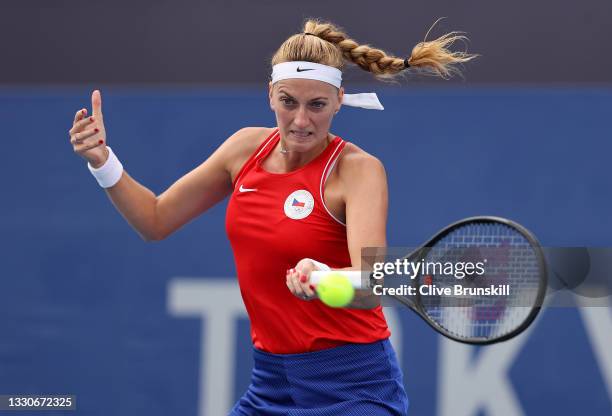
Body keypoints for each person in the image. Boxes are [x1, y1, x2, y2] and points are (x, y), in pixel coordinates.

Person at [69, 18, 475, 416]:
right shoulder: (244, 149)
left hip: (354, 384)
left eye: (316, 104)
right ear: (270, 96)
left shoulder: (359, 169)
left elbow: (370, 282)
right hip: (270, 384)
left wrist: (322, 275)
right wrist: (103, 162)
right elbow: (154, 220)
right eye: (288, 102)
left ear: (338, 100)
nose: (301, 120)